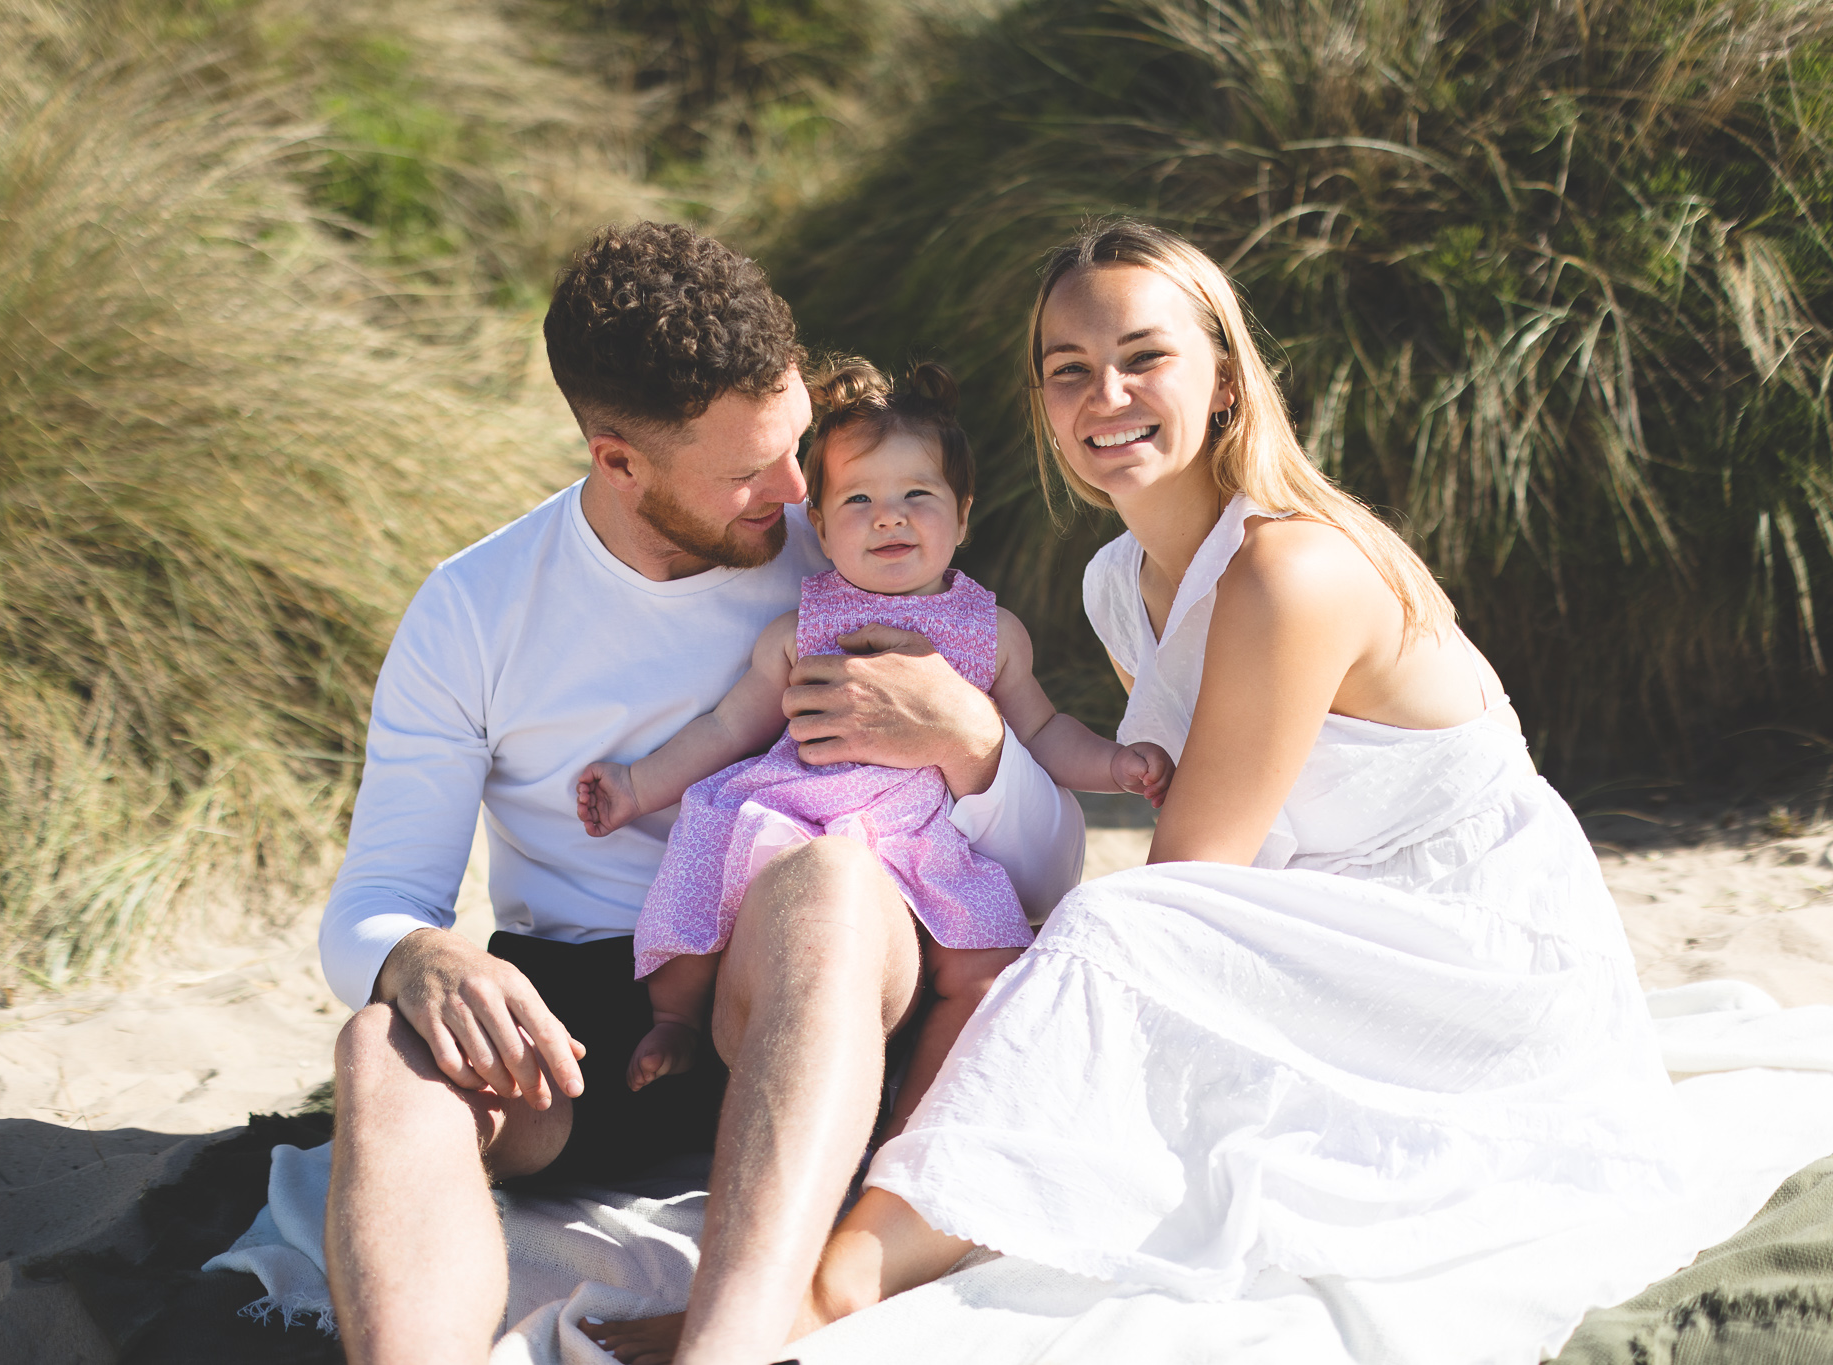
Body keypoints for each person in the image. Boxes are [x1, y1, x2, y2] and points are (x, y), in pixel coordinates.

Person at [744, 219, 1685, 1348]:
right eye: (1068, 372)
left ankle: (836, 1281)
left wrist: (978, 757)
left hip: (1469, 959)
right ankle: (887, 1228)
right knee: (1050, 960)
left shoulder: (1291, 570)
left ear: (1225, 381)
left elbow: (1182, 888)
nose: (1105, 396)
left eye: (1144, 358)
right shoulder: (1118, 584)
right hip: (1327, 936)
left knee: (1101, 931)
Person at [317, 221, 1084, 1365]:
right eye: (745, 472)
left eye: (791, 443)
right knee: (386, 1045)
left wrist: (971, 748)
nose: (790, 492)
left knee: (824, 879)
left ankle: (724, 1350)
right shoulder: (474, 608)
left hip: (825, 1003)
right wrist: (417, 957)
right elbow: (377, 895)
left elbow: (1048, 874)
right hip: (590, 1018)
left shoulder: (855, 543)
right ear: (617, 460)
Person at [574, 359, 1172, 1132]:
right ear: (818, 526)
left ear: (962, 514)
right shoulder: (801, 628)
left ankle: (914, 1129)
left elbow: (1044, 734)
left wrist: (1118, 765)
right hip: (804, 819)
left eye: (916, 496)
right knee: (706, 863)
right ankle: (677, 1019)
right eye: (858, 500)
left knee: (988, 966)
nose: (889, 517)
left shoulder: (993, 636)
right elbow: (728, 730)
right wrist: (634, 785)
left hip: (926, 840)